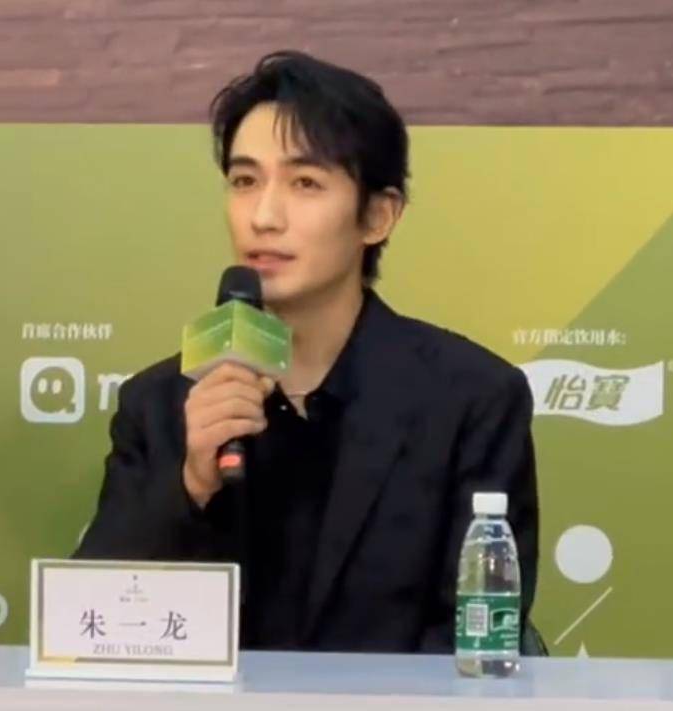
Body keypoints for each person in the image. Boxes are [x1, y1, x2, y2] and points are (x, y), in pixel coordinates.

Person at [76, 50, 539, 654]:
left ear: (377, 216)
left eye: (306, 184)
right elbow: (92, 623)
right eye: (244, 182)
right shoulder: (161, 404)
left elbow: (473, 638)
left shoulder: (470, 399)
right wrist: (189, 486)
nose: (264, 216)